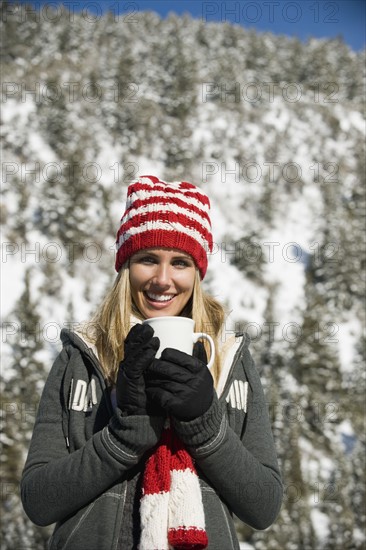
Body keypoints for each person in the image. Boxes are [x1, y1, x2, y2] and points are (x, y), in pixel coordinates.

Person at [21, 175, 283, 550]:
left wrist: (205, 424)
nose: (163, 279)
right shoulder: (82, 356)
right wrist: (124, 434)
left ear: (197, 273)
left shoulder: (227, 359)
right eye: (148, 259)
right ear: (126, 267)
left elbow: (264, 506)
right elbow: (39, 500)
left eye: (180, 262)